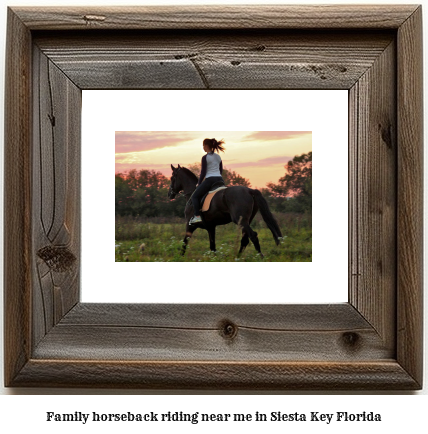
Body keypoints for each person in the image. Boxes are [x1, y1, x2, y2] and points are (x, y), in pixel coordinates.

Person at [189, 138, 225, 224]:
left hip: (210, 180)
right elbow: (220, 170)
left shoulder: (205, 157)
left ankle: (197, 216)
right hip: (220, 179)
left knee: (194, 196)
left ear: (206, 146)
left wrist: (199, 183)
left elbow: (203, 172)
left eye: (203, 146)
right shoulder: (218, 156)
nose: (203, 148)